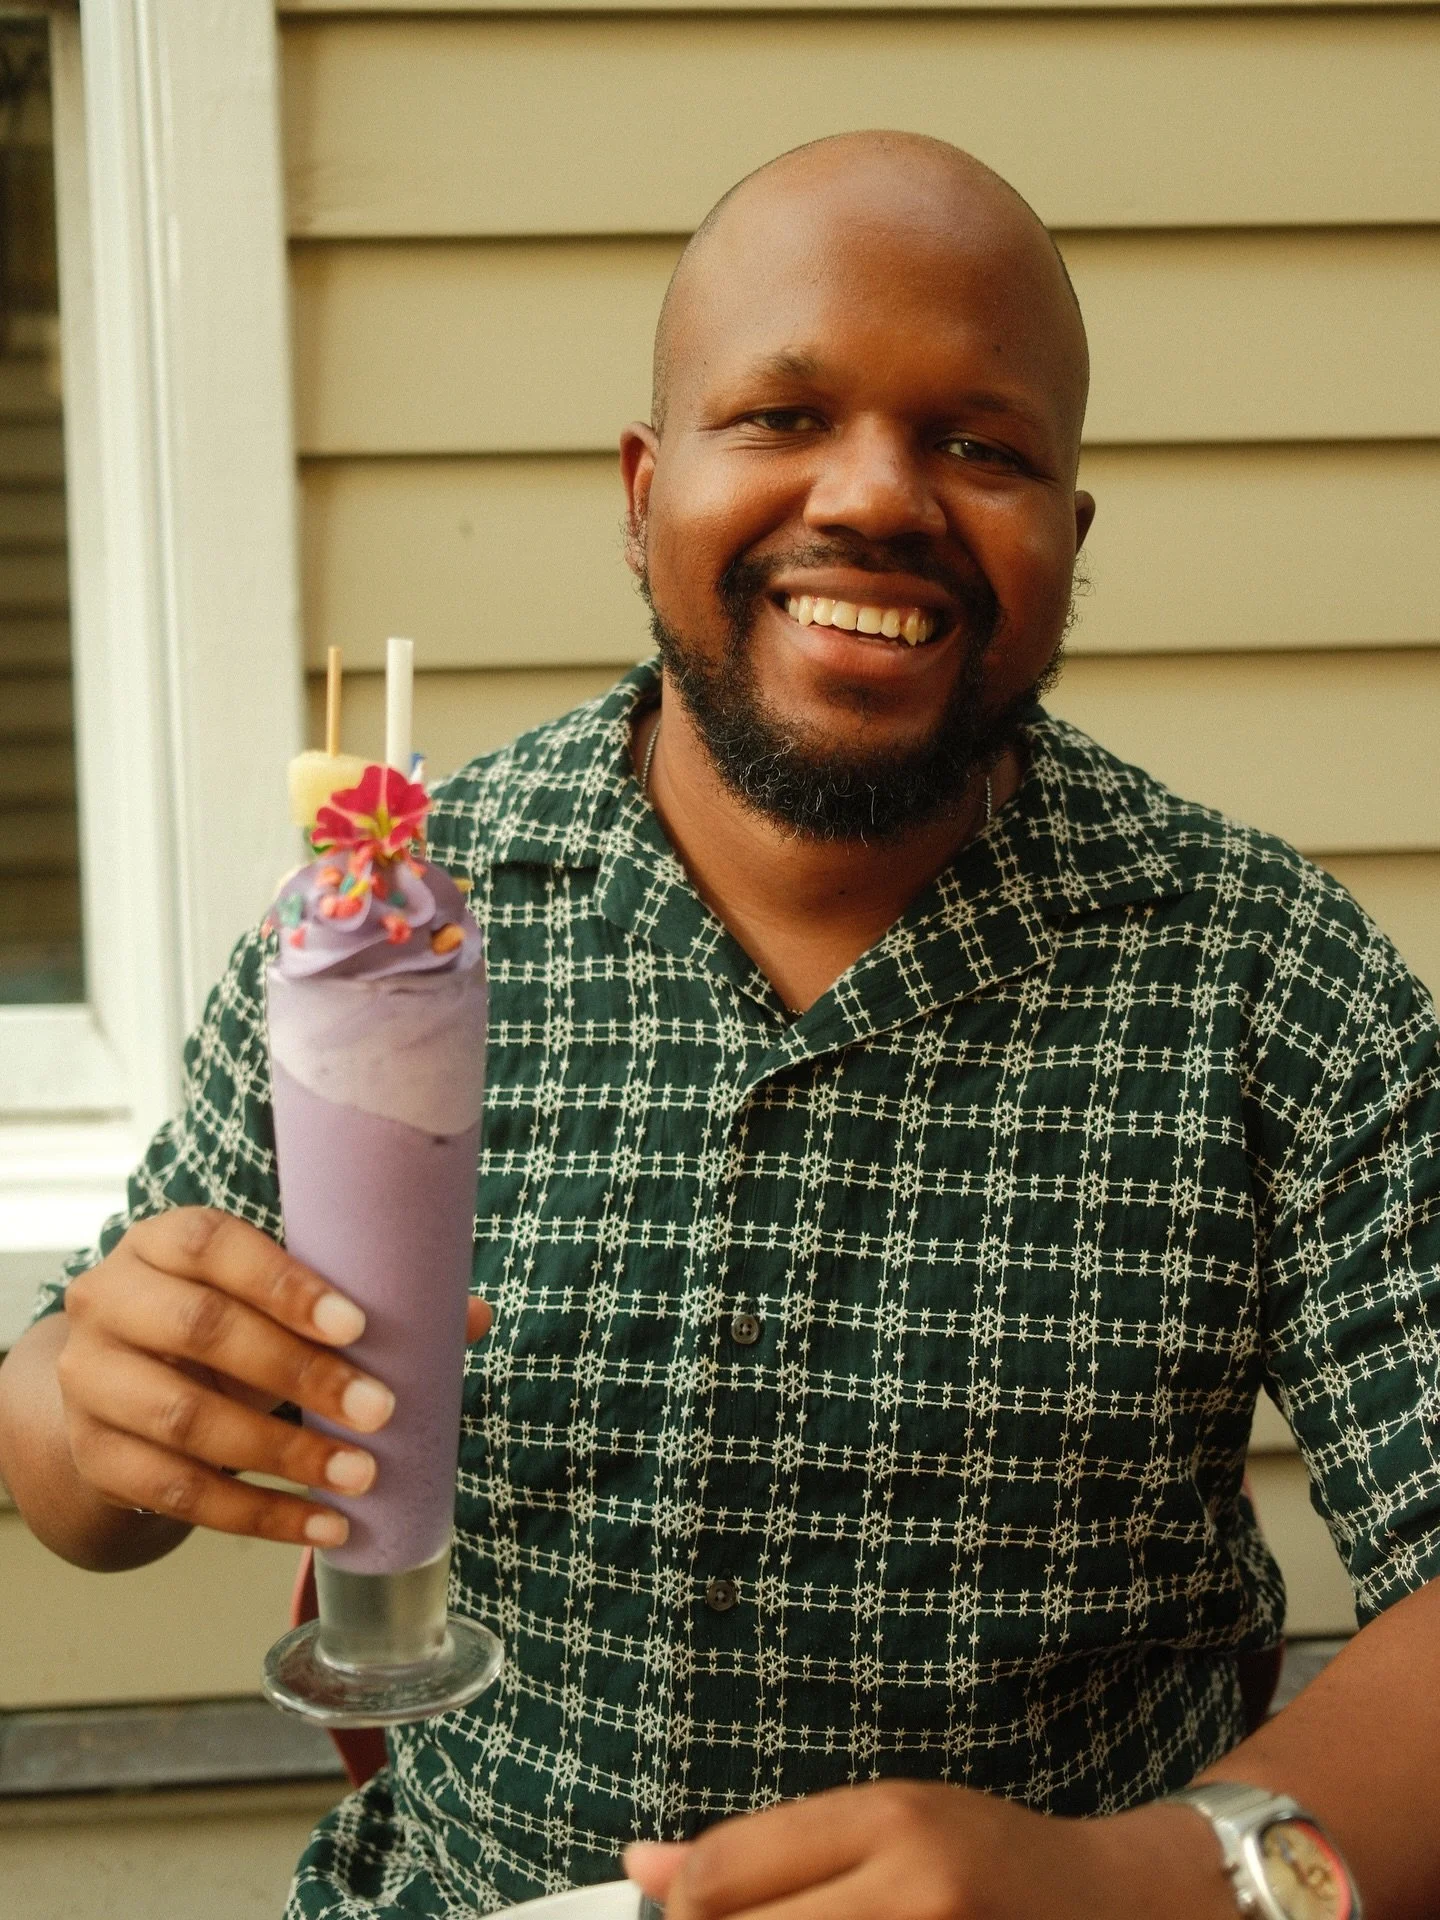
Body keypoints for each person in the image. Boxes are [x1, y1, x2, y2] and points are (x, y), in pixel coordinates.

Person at [1, 129, 1438, 1920]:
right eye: (781, 416)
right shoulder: (389, 927)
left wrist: (1150, 1879)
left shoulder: (1267, 981)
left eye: (978, 444)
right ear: (641, 485)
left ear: (1067, 538)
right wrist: (95, 1408)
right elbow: (73, 1444)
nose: (876, 496)